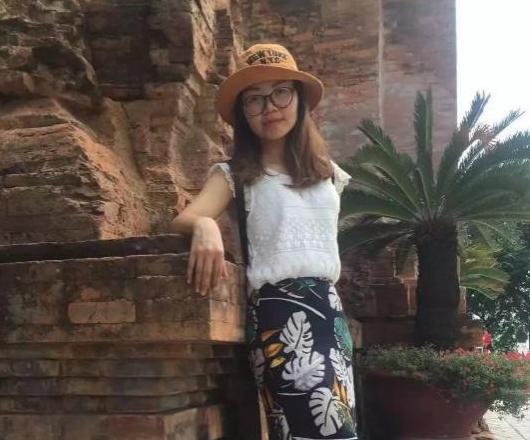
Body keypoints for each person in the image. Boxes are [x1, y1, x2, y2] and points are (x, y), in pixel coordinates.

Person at [171, 43, 357, 440]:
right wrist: (205, 226)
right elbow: (185, 217)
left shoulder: (329, 174)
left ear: (299, 99)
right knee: (321, 431)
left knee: (326, 427)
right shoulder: (235, 175)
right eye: (254, 99)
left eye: (280, 93)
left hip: (330, 312)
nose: (269, 107)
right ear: (243, 113)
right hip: (277, 314)